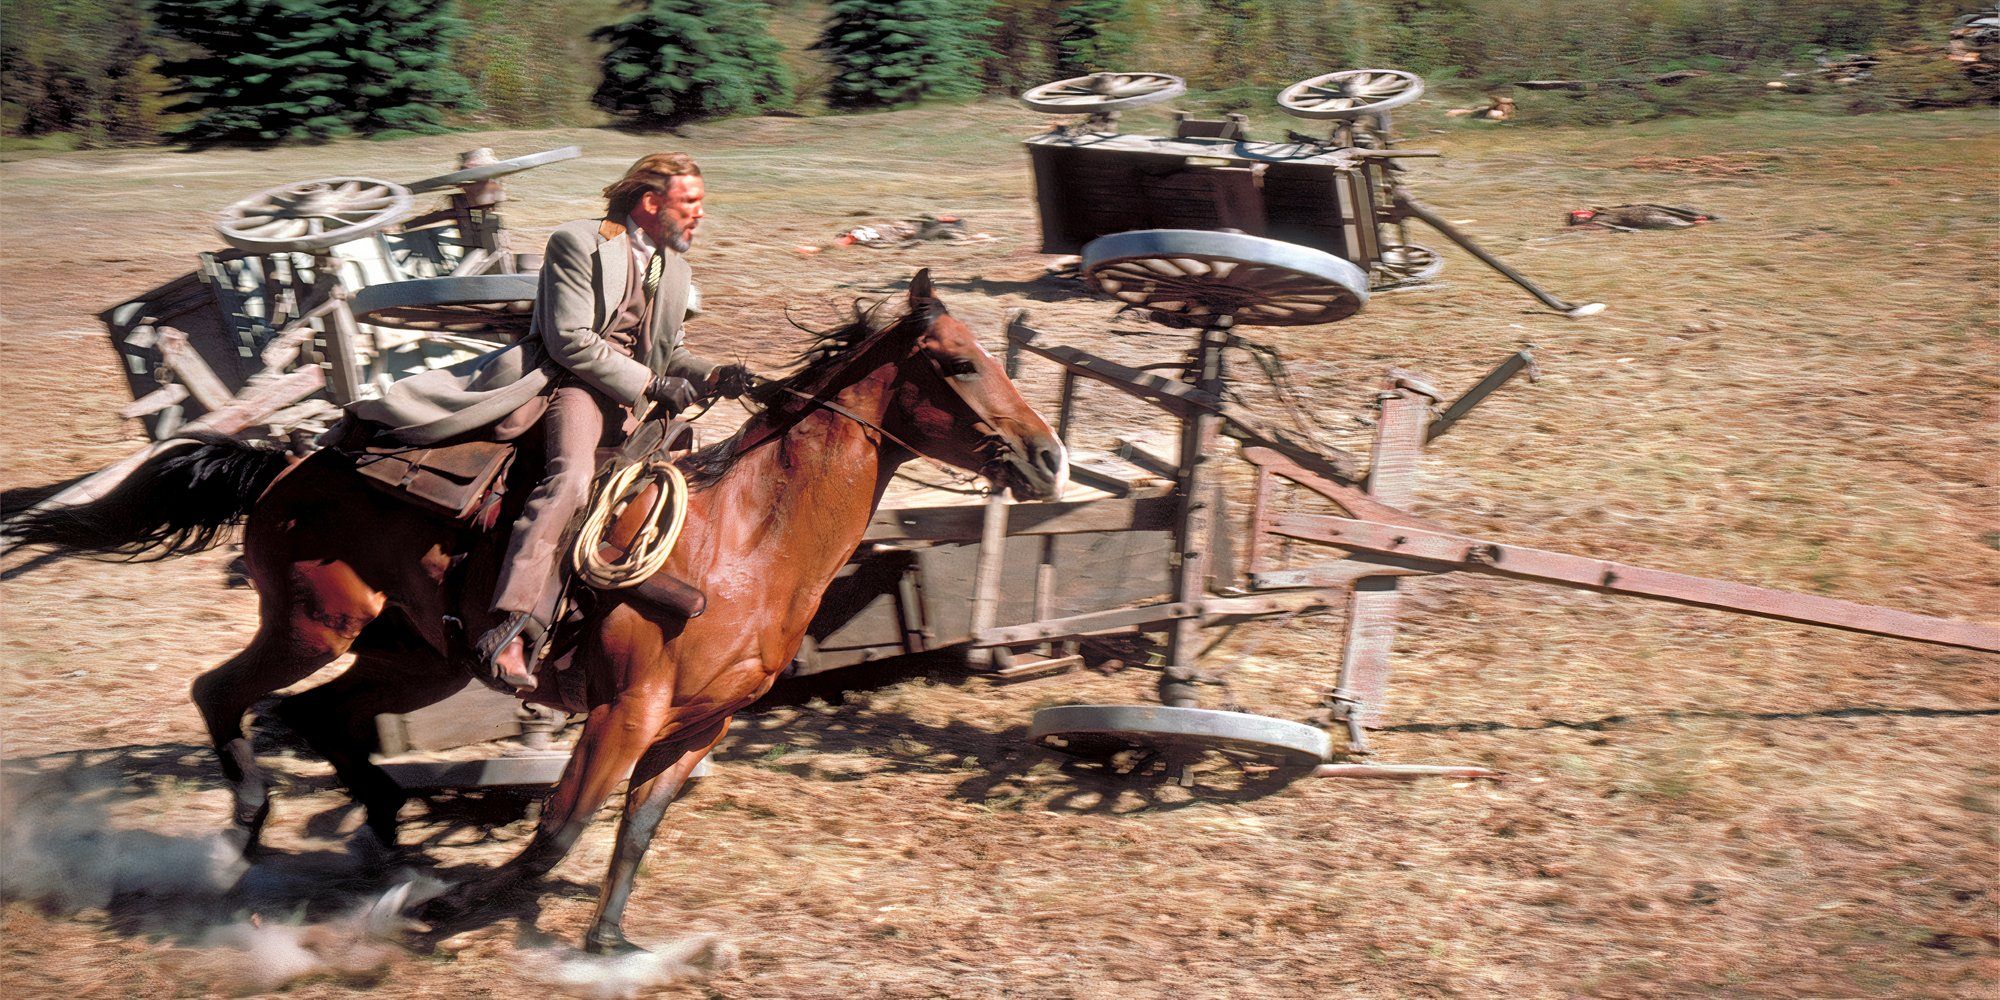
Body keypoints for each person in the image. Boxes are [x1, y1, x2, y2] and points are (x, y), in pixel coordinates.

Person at [349, 152, 749, 691]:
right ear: (651, 202)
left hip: (631, 398)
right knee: (571, 481)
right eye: (691, 203)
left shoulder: (673, 265)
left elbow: (667, 350)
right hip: (569, 385)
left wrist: (713, 373)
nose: (700, 214)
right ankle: (508, 625)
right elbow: (571, 341)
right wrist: (652, 385)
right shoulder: (578, 242)